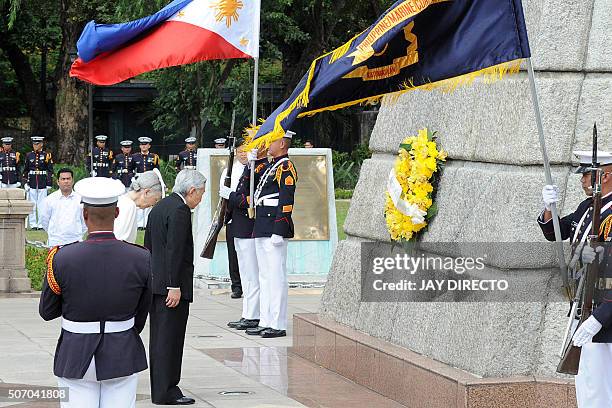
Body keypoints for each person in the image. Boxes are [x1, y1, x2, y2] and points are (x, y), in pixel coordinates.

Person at [39, 176, 152, 408]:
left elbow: (47, 311)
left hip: (75, 351)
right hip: (122, 349)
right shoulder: (141, 258)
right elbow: (142, 312)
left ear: (84, 215)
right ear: (117, 213)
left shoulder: (62, 257)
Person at [539, 150, 612, 408]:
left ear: (604, 176)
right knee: (587, 385)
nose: (582, 181)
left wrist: (599, 318)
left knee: (599, 389)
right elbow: (556, 232)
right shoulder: (588, 207)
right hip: (583, 307)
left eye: (586, 175)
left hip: (604, 314)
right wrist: (549, 209)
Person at [144, 169, 206, 405]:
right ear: (191, 191)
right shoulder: (180, 211)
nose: (200, 199)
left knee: (160, 339)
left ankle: (161, 389)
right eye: (200, 194)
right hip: (171, 288)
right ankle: (167, 390)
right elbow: (175, 251)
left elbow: (149, 247)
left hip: (156, 284)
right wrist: (174, 286)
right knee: (170, 339)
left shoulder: (160, 207)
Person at [245, 130, 297, 338]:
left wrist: (279, 230)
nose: (269, 143)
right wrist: (250, 163)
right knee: (265, 277)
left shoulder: (286, 166)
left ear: (283, 143)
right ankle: (266, 319)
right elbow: (256, 180)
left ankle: (277, 323)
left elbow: (286, 201)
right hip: (262, 225)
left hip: (274, 227)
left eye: (273, 140)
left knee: (275, 277)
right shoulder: (272, 166)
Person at [222, 145, 269, 330]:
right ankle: (248, 314)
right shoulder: (248, 169)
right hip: (239, 227)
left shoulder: (258, 170)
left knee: (251, 275)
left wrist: (231, 196)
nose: (244, 154)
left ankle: (252, 315)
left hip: (248, 228)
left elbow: (251, 200)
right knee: (246, 275)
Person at [220, 143, 248, 299]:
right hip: (233, 214)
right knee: (233, 253)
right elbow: (223, 195)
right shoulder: (229, 171)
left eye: (246, 151)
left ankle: (248, 284)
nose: (243, 154)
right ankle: (236, 285)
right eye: (240, 151)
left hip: (248, 215)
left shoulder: (253, 168)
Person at [39, 168, 87, 247]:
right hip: (56, 242)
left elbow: (85, 221)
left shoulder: (80, 199)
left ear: (72, 181)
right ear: (58, 182)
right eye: (63, 179)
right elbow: (44, 220)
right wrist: (54, 233)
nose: (66, 181)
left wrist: (77, 233)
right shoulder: (49, 199)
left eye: (68, 179)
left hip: (76, 241)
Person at [114, 169, 165, 243]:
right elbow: (121, 241)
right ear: (147, 192)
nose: (153, 205)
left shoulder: (122, 201)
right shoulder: (129, 206)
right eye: (156, 200)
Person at [23, 135, 53, 229]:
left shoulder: (46, 155)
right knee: (32, 204)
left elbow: (50, 170)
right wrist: (25, 182)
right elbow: (25, 170)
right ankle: (33, 224)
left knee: (42, 204)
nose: (35, 146)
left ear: (41, 144)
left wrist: (49, 183)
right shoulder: (29, 155)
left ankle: (41, 224)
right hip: (31, 181)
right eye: (34, 144)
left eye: (37, 144)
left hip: (42, 181)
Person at [130, 137, 160, 229]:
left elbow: (156, 170)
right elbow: (130, 169)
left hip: (150, 181)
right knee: (139, 200)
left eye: (146, 144)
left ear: (149, 146)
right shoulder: (135, 156)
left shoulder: (154, 157)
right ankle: (139, 224)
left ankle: (146, 223)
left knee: (148, 201)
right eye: (142, 144)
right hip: (139, 179)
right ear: (140, 146)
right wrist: (133, 180)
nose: (144, 146)